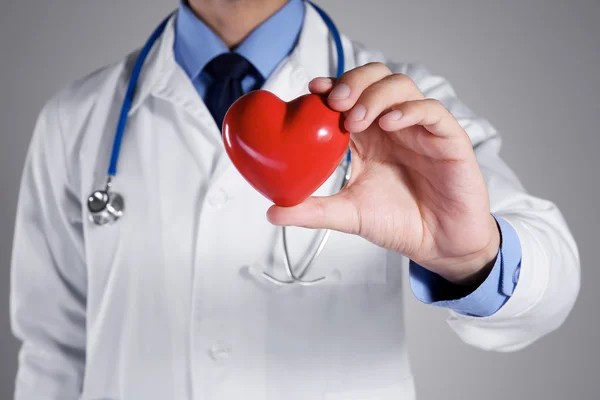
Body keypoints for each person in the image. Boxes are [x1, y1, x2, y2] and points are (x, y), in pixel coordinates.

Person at [9, 0, 580, 399]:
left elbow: (551, 282)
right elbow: (52, 349)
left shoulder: (406, 108)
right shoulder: (77, 118)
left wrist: (470, 260)